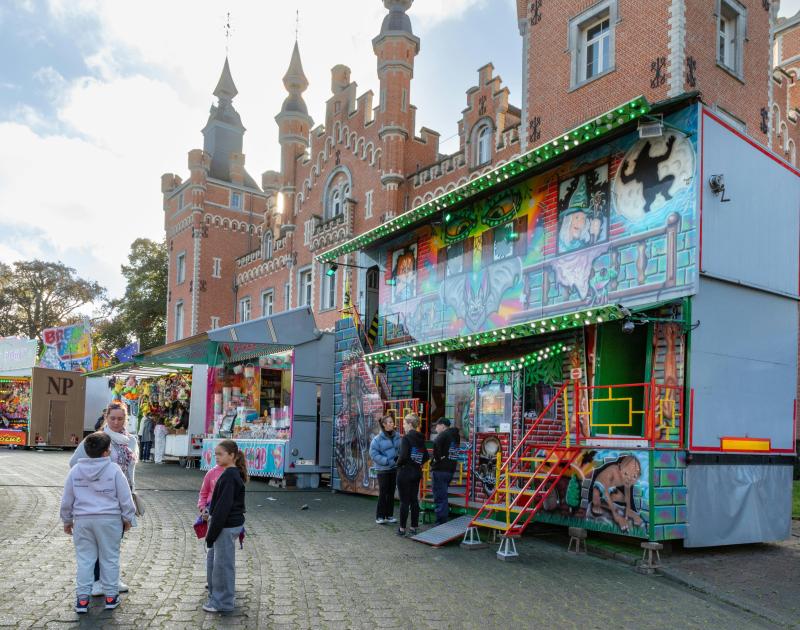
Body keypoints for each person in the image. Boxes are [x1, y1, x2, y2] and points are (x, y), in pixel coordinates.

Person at [61, 431, 136, 614]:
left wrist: (67, 520)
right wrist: (128, 518)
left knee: (85, 560)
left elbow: (66, 499)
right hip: (109, 520)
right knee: (109, 558)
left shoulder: (75, 471)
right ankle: (111, 597)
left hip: (83, 521)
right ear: (106, 452)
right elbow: (125, 498)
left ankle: (82, 600)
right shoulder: (114, 470)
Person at [70, 401, 138, 596]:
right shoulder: (96, 439)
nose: (116, 422)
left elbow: (131, 468)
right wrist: (94, 483)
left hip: (122, 495)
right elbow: (74, 464)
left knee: (113, 542)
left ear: (126, 419)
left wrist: (132, 491)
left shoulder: (131, 440)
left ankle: (111, 579)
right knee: (97, 544)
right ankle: (97, 580)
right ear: (106, 418)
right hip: (99, 499)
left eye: (121, 418)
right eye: (113, 418)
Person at [204, 440, 248, 613]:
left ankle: (222, 603)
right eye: (215, 454)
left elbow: (223, 507)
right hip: (228, 525)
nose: (216, 457)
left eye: (220, 454)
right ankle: (221, 598)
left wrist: (212, 533)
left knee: (222, 566)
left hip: (226, 525)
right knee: (221, 563)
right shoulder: (231, 473)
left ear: (232, 456)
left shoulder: (230, 475)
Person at [395, 413, 428, 537]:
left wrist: (397, 464)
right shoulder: (420, 438)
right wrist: (417, 463)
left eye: (404, 423)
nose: (403, 425)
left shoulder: (406, 438)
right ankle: (414, 527)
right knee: (414, 500)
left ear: (410, 424)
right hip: (416, 472)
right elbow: (426, 456)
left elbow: (403, 456)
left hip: (405, 473)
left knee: (404, 501)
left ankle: (402, 529)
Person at [368, 414, 401, 525]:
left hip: (394, 469)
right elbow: (373, 454)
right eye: (389, 422)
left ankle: (389, 515)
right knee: (383, 492)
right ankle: (380, 516)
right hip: (383, 470)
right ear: (384, 424)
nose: (392, 424)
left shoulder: (398, 436)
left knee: (391, 492)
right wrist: (386, 461)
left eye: (392, 422)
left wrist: (399, 460)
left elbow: (401, 450)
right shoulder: (377, 439)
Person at [431, 418, 460, 526]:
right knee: (443, 495)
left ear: (442, 426)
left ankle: (440, 522)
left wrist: (435, 460)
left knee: (439, 496)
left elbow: (436, 448)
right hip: (450, 469)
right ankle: (442, 519)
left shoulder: (442, 435)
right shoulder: (455, 436)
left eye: (437, 426)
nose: (435, 428)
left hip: (440, 469)